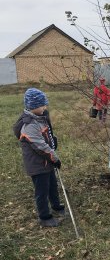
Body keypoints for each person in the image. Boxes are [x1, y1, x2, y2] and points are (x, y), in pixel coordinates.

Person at [13, 88, 64, 228]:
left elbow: (46, 137)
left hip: (46, 162)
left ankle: (56, 206)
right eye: (43, 105)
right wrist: (55, 158)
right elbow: (40, 146)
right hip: (38, 164)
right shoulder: (29, 125)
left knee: (53, 185)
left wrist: (53, 140)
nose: (45, 107)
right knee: (42, 191)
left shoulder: (40, 118)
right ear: (34, 106)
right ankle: (45, 216)